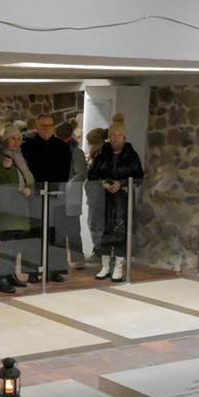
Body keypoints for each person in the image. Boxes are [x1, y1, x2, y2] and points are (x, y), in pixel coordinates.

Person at [89, 113, 144, 282]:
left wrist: (122, 184)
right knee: (105, 232)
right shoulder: (102, 154)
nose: (115, 138)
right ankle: (105, 266)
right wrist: (103, 183)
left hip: (123, 200)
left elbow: (139, 177)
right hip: (104, 200)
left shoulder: (132, 155)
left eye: (119, 134)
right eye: (112, 134)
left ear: (124, 137)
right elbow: (92, 175)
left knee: (121, 233)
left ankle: (118, 267)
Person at [21, 113, 72, 283]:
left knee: (56, 233)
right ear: (37, 126)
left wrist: (56, 187)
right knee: (34, 232)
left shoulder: (62, 147)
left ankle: (55, 269)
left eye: (50, 125)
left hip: (55, 195)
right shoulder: (28, 147)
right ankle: (32, 270)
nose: (47, 128)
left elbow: (66, 171)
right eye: (43, 125)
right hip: (34, 196)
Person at [0, 125, 34, 294]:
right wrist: (3, 168)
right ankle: (1, 279)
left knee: (16, 245)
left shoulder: (20, 157)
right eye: (13, 138)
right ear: (6, 140)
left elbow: (29, 179)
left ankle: (10, 275)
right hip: (5, 209)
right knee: (6, 245)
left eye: (18, 138)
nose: (16, 141)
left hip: (21, 207)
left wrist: (30, 190)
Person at [55, 120, 87, 269]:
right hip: (60, 196)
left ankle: (77, 259)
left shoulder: (76, 152)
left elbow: (81, 173)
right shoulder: (61, 150)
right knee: (60, 230)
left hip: (71, 196)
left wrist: (68, 185)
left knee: (73, 230)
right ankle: (60, 260)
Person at [84, 127, 108, 263]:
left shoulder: (99, 155)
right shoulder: (99, 154)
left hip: (97, 195)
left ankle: (99, 251)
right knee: (96, 222)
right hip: (96, 194)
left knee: (95, 223)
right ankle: (100, 250)